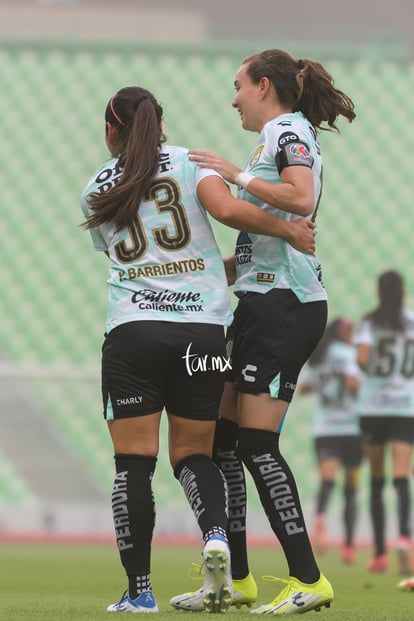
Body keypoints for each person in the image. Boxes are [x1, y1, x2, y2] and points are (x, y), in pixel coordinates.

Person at [80, 85, 316, 613]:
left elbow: (133, 260)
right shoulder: (192, 161)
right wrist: (288, 229)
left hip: (133, 333)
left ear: (112, 129)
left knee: (132, 466)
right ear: (160, 123)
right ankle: (216, 535)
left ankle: (139, 591)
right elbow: (227, 212)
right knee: (195, 453)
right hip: (204, 335)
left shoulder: (96, 187)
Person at [170, 48, 355, 615]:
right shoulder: (272, 137)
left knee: (255, 443)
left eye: (238, 86)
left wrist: (234, 173)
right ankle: (240, 579)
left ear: (265, 86)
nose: (233, 99)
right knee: (223, 441)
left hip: (286, 304)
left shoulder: (288, 133)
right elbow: (272, 226)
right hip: (258, 299)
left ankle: (308, 578)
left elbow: (301, 198)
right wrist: (220, 269)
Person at [354, 270, 414, 575]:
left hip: (373, 408)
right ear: (403, 292)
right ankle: (404, 538)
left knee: (377, 480)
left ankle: (379, 553)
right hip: (405, 408)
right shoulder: (412, 321)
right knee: (402, 478)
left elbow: (363, 360)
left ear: (379, 292)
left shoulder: (368, 323)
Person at [298, 318, 362, 565]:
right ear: (342, 333)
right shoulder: (348, 353)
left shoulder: (318, 356)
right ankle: (348, 546)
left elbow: (304, 388)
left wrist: (325, 386)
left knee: (328, 480)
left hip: (324, 429)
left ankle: (321, 519)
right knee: (351, 489)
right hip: (351, 428)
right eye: (350, 330)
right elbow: (353, 384)